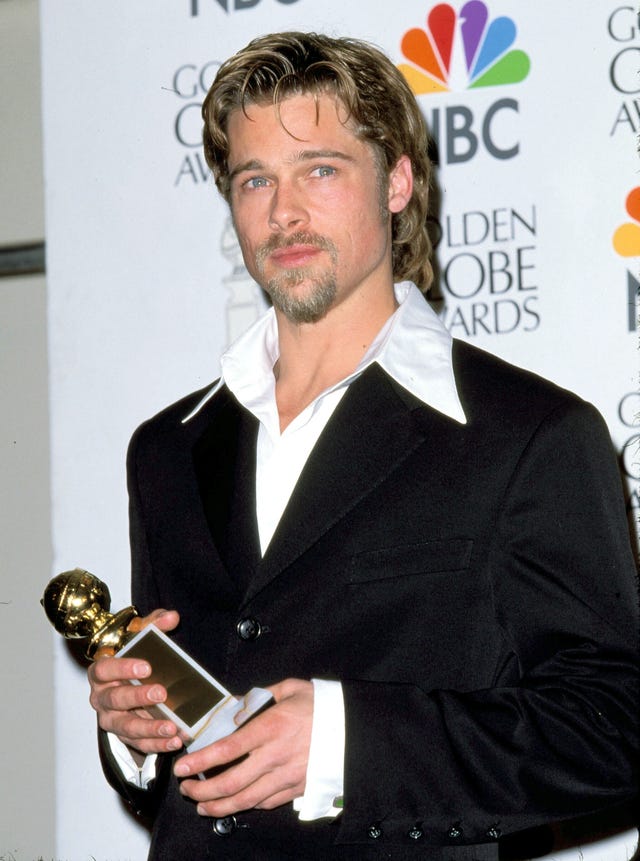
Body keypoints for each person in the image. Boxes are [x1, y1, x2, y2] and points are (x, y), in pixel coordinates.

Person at [88, 31, 639, 860]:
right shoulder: (167, 449)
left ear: (398, 182)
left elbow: (614, 725)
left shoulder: (527, 436)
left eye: (319, 170)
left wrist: (347, 744)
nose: (283, 213)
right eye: (255, 180)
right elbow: (183, 764)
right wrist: (135, 730)